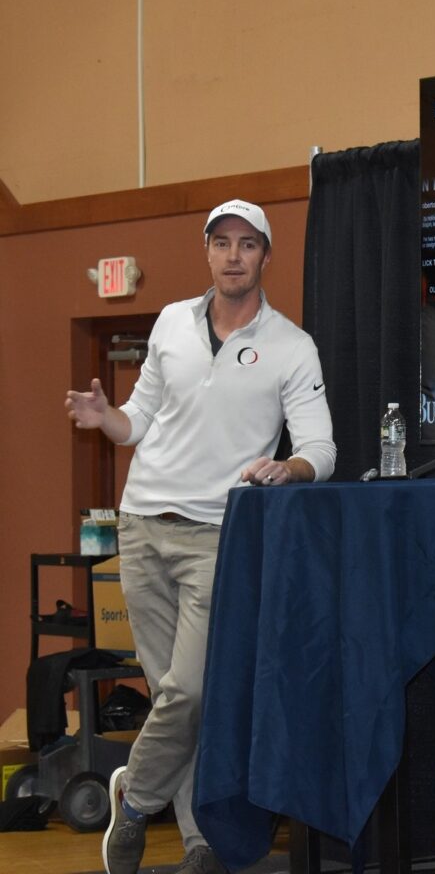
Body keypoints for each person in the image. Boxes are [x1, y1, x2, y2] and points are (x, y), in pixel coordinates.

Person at [65, 199, 336, 874]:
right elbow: (138, 421)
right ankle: (199, 843)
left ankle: (134, 799)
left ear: (265, 255)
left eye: (247, 244)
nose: (233, 255)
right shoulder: (169, 323)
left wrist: (289, 468)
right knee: (172, 698)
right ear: (207, 251)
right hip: (140, 526)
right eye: (222, 242)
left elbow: (322, 449)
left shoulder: (292, 346)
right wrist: (106, 417)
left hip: (217, 536)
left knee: (189, 691)